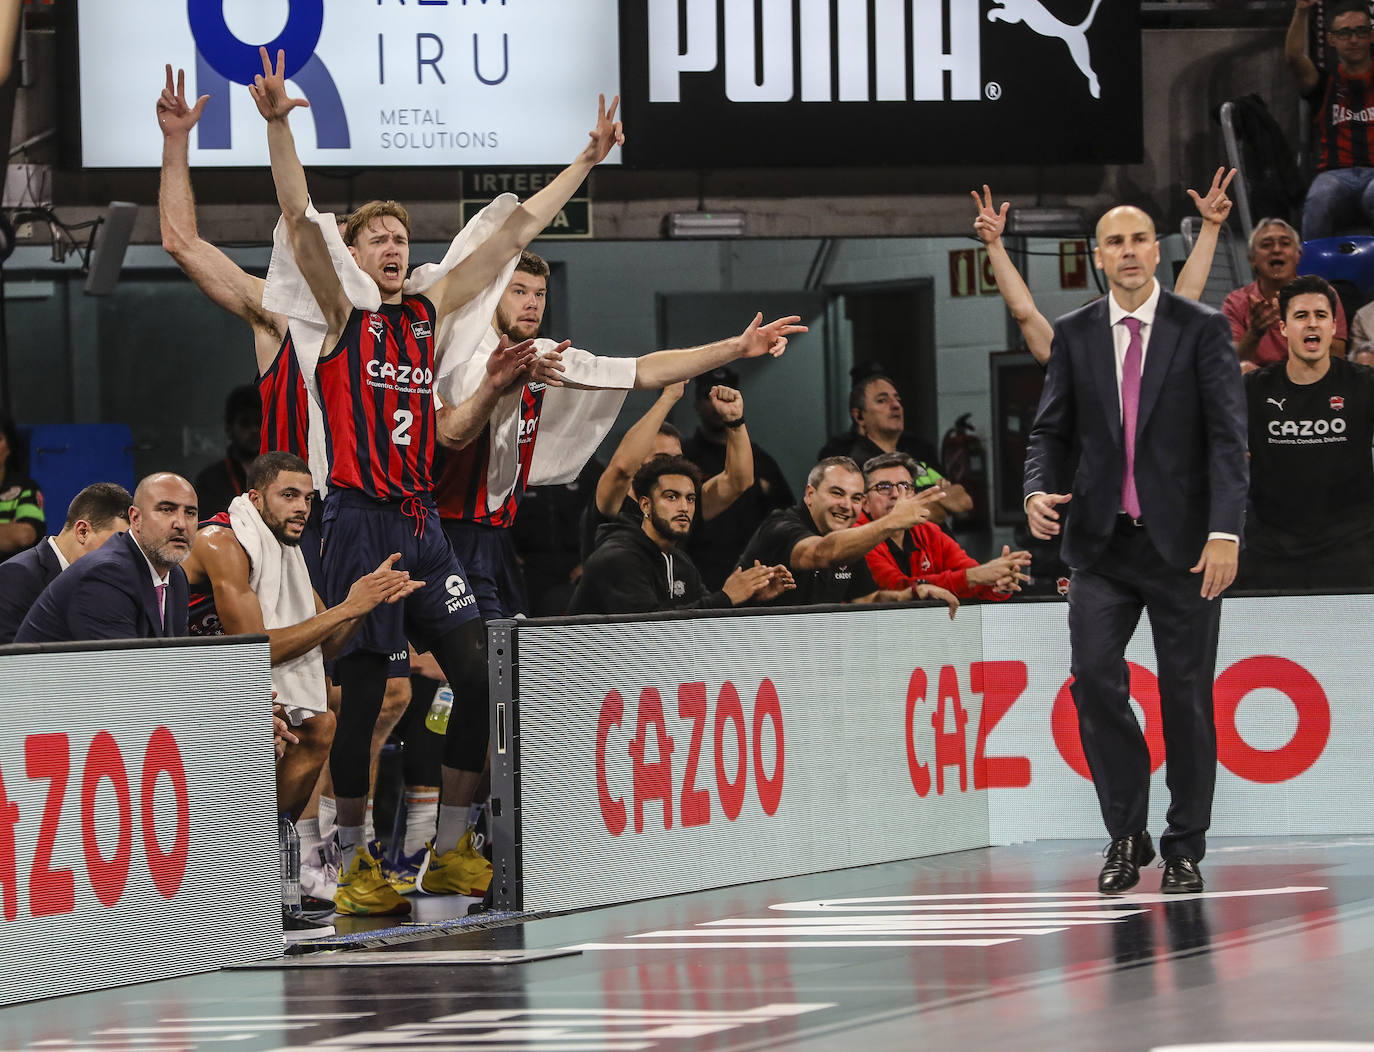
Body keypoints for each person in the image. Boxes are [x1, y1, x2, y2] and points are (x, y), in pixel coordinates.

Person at [158, 63, 414, 895]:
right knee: (293, 702)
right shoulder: (276, 314)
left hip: (346, 513)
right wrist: (174, 143)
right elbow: (183, 243)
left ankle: (328, 850)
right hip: (282, 520)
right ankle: (295, 858)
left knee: (372, 699)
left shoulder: (372, 325)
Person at [1023, 204, 1248, 897]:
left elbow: (1227, 438)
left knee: (1185, 697)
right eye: (1114, 241)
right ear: (1097, 255)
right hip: (1099, 543)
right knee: (1093, 678)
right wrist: (1037, 491)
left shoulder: (1201, 328)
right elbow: (1049, 433)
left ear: (1158, 251)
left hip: (1184, 545)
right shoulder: (1075, 333)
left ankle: (1184, 844)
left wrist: (1225, 532)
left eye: (1139, 239)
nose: (1127, 251)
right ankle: (1126, 832)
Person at [972, 168, 1239, 365]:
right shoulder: (1071, 364)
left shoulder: (1157, 353)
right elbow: (1024, 313)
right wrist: (994, 245)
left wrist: (1211, 226)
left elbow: (1187, 293)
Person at [1239, 275, 1374, 590]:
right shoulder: (1253, 389)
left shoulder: (1364, 384)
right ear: (1284, 328)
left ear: (1332, 327)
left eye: (1320, 316)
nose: (1312, 324)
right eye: (1301, 316)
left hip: (1354, 550)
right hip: (1271, 552)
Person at [569, 454, 793, 614]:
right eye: (671, 497)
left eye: (690, 498)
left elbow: (705, 618)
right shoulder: (618, 558)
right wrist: (727, 597)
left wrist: (749, 597)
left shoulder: (679, 560)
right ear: (645, 505)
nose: (684, 507)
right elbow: (650, 630)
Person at [736, 455, 958, 613]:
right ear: (810, 494)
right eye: (837, 493)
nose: (846, 505)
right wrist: (892, 521)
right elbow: (822, 553)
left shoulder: (849, 540)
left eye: (855, 498)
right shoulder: (781, 526)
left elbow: (866, 598)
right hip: (748, 654)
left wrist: (911, 594)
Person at [579, 379, 754, 561]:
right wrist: (669, 397)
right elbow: (622, 469)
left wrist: (735, 421)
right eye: (661, 459)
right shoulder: (613, 501)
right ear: (637, 461)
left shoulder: (683, 506)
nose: (673, 467)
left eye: (677, 459)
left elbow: (738, 481)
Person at [16, 473, 199, 643]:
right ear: (135, 518)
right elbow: (120, 671)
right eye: (167, 510)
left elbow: (175, 659)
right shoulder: (106, 574)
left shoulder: (176, 577)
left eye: (190, 513)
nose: (181, 524)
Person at [682, 366, 796, 589]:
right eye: (708, 396)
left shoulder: (761, 460)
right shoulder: (682, 457)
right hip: (698, 573)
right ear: (696, 404)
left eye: (726, 394)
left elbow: (784, 518)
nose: (717, 405)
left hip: (753, 573)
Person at [858, 453, 1029, 600]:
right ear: (865, 503)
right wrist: (974, 576)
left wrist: (998, 582)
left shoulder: (928, 531)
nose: (896, 494)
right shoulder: (859, 536)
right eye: (884, 487)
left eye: (904, 486)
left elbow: (976, 579)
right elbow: (897, 588)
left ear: (914, 494)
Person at [0, 482, 131, 644]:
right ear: (82, 531)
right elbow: (9, 660)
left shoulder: (108, 585)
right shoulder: (17, 575)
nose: (119, 555)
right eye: (114, 543)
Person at [1287, 0, 1374, 239]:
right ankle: (1314, 275)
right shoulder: (1324, 83)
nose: (1354, 40)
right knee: (1320, 198)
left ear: (1371, 36)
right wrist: (1302, 10)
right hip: (1335, 175)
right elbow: (1294, 58)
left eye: (1361, 31)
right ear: (1332, 39)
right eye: (1345, 33)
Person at [841, 375, 972, 523]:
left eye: (897, 399)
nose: (895, 405)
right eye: (882, 401)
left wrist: (918, 508)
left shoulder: (918, 451)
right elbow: (894, 520)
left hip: (942, 544)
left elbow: (963, 499)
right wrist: (941, 504)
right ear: (859, 416)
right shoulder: (858, 467)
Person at [1222, 218, 1348, 371]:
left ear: (1298, 255)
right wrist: (1254, 333)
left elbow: (1337, 353)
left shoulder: (1323, 295)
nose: (1276, 250)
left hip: (1313, 377)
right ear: (1252, 259)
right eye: (1266, 245)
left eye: (1285, 243)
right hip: (1261, 385)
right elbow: (1231, 364)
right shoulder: (1236, 302)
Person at [194, 385, 261, 519]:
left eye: (259, 422)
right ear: (229, 428)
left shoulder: (279, 476)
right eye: (245, 423)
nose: (254, 430)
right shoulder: (209, 481)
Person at [0, 411, 43, 562]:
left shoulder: (26, 487)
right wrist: (8, 530)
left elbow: (26, 535)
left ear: (9, 448)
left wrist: (15, 534)